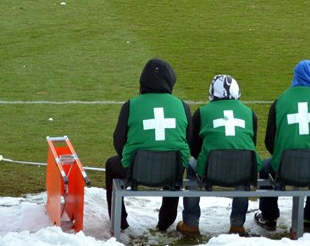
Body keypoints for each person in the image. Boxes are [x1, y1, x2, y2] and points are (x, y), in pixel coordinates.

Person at [105, 58, 191, 233]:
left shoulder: (130, 105)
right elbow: (187, 141)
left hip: (136, 169)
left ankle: (119, 221)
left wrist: (131, 162)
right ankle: (165, 222)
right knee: (177, 162)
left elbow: (118, 141)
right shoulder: (183, 106)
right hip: (172, 170)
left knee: (111, 164)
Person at [254, 60, 310, 235]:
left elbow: (270, 141)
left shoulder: (280, 101)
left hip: (284, 167)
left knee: (265, 167)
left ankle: (269, 217)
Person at [177, 75, 258, 237]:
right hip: (243, 168)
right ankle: (237, 225)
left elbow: (194, 148)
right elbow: (252, 144)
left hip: (211, 170)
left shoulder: (202, 112)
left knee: (192, 166)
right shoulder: (250, 113)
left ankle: (191, 223)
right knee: (244, 167)